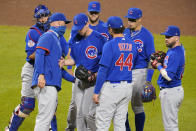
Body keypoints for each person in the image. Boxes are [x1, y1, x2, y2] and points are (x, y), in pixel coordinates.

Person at [4, 5, 57, 131]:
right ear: (37, 19)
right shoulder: (33, 32)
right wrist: (43, 51)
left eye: (45, 15)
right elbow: (31, 55)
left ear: (49, 15)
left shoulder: (54, 31)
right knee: (27, 106)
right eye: (40, 17)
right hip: (31, 70)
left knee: (50, 106)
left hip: (47, 70)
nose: (44, 19)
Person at [65, 2, 111, 131]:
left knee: (86, 113)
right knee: (79, 113)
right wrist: (65, 63)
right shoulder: (75, 37)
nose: (78, 30)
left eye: (81, 27)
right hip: (79, 79)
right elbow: (73, 59)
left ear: (87, 24)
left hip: (93, 80)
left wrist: (96, 75)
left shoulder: (100, 39)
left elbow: (106, 61)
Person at [93, 16, 138, 131]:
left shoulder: (110, 45)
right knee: (120, 124)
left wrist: (96, 91)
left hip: (111, 89)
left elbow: (103, 70)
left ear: (110, 30)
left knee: (102, 124)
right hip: (127, 87)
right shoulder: (132, 45)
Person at [31, 12, 72, 131]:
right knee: (44, 118)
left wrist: (75, 79)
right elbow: (39, 54)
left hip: (50, 83)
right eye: (65, 24)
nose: (65, 26)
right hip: (46, 83)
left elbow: (58, 68)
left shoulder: (55, 39)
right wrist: (41, 75)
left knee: (46, 118)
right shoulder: (48, 36)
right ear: (58, 23)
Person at [123, 7, 155, 131]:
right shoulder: (125, 32)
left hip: (139, 72)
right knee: (121, 105)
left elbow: (152, 59)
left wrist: (148, 80)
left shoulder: (147, 36)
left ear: (140, 19)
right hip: (124, 72)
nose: (129, 22)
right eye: (128, 19)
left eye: (133, 20)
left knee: (137, 106)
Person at [156, 25, 185, 131]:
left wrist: (158, 65)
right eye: (165, 36)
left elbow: (168, 76)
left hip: (170, 92)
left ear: (177, 38)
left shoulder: (174, 53)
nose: (166, 39)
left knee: (170, 127)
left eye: (169, 37)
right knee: (171, 124)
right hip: (175, 91)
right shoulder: (179, 49)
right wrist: (163, 62)